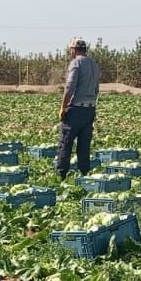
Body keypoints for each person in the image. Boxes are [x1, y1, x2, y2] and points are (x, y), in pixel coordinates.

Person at [56, 38, 100, 179]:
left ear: (74, 49)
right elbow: (96, 89)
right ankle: (84, 175)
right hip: (90, 109)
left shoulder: (76, 63)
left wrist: (63, 107)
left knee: (66, 143)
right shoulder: (94, 65)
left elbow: (69, 88)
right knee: (84, 145)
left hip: (76, 109)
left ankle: (61, 176)